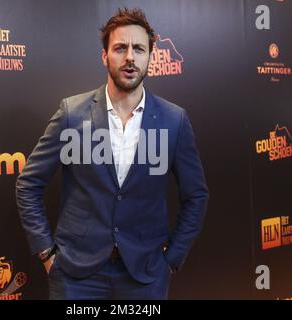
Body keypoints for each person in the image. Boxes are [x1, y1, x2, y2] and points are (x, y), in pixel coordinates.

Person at [16, 7, 209, 300]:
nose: (130, 56)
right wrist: (46, 252)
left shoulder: (174, 120)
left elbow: (196, 196)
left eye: (139, 49)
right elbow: (28, 183)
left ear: (150, 57)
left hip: (145, 275)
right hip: (75, 275)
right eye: (120, 48)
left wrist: (171, 260)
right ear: (105, 56)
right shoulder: (72, 114)